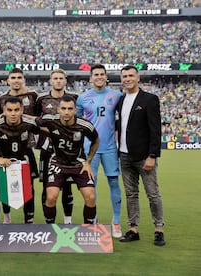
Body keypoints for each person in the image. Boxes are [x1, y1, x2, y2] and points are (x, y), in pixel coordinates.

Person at [117, 65, 165, 246]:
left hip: (144, 156)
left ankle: (159, 229)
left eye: (131, 75)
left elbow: (155, 130)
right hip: (124, 155)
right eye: (124, 76)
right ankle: (133, 229)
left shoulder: (149, 99)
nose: (127, 79)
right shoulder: (121, 100)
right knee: (131, 194)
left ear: (138, 78)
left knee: (153, 194)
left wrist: (152, 155)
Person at [35, 95, 99, 224]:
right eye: (63, 108)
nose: (66, 112)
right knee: (51, 197)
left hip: (78, 163)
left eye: (70, 109)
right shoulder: (50, 120)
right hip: (57, 162)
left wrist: (88, 162)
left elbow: (96, 140)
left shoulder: (84, 125)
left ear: (75, 110)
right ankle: (50, 226)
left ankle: (88, 229)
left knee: (91, 197)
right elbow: (33, 120)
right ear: (58, 109)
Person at [76, 64, 123, 238]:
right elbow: (77, 123)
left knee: (113, 183)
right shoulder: (82, 98)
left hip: (110, 147)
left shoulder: (116, 96)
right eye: (96, 74)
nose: (99, 77)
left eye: (102, 74)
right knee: (90, 186)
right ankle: (93, 220)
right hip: (90, 150)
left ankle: (116, 222)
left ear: (106, 77)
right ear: (90, 78)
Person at [0, 96, 39, 224]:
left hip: (22, 161)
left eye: (16, 110)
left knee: (28, 191)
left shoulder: (29, 123)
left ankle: (29, 222)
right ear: (4, 110)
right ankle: (0, 220)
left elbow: (47, 130)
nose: (13, 113)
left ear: (22, 110)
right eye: (10, 110)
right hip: (2, 162)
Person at [0, 68, 38, 224]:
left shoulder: (32, 96)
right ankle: (7, 217)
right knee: (5, 185)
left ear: (23, 79)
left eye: (19, 77)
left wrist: (23, 116)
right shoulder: (1, 98)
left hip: (26, 146)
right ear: (8, 80)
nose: (17, 80)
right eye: (13, 77)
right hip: (4, 147)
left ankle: (29, 221)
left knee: (28, 187)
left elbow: (39, 119)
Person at [34, 69, 77, 224]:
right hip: (47, 149)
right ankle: (48, 224)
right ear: (50, 81)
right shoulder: (41, 100)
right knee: (47, 187)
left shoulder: (74, 98)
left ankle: (68, 222)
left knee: (67, 187)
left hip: (68, 151)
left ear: (65, 80)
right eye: (55, 78)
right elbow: (35, 122)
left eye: (61, 78)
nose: (58, 81)